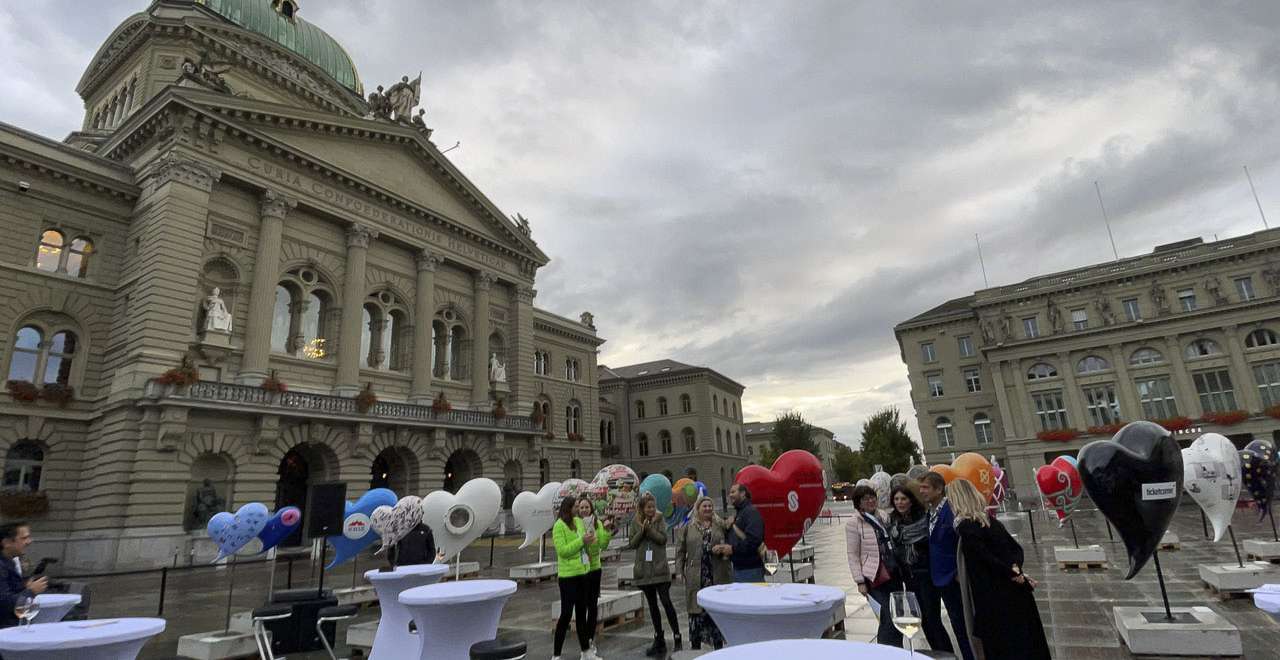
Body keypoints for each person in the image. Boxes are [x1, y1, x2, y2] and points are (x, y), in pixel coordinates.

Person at [948, 479, 1051, 660]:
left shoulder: (966, 527)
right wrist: (1016, 572)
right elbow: (1015, 550)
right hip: (1015, 592)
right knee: (1028, 644)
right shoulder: (990, 521)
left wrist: (1012, 573)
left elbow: (986, 560)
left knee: (1005, 647)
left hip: (994, 599)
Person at [918, 472, 975, 660]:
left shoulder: (951, 510)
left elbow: (963, 542)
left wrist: (959, 571)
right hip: (940, 578)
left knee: (964, 625)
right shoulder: (931, 512)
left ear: (939, 489)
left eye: (926, 487)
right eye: (921, 487)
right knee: (957, 623)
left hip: (953, 578)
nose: (922, 491)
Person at [887, 484, 950, 653]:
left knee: (932, 619)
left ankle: (946, 653)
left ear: (911, 500)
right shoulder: (893, 521)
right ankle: (937, 653)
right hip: (909, 578)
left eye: (904, 499)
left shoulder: (923, 518)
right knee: (922, 620)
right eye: (896, 499)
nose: (900, 502)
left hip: (925, 575)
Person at [674, 495, 732, 650]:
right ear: (698, 509)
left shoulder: (720, 525)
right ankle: (695, 647)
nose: (708, 509)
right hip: (696, 575)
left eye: (710, 506)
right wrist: (679, 571)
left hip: (717, 573)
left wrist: (723, 549)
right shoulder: (688, 527)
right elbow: (680, 551)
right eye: (704, 506)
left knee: (716, 611)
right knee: (696, 612)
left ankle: (718, 647)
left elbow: (730, 544)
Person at [846, 485, 900, 646]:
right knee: (885, 615)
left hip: (893, 572)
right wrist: (859, 581)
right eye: (865, 499)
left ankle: (898, 649)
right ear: (858, 503)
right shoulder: (854, 523)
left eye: (872, 497)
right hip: (873, 576)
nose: (870, 501)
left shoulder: (884, 516)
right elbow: (852, 554)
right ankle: (885, 651)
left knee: (896, 615)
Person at [629, 492, 681, 656]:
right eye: (648, 507)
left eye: (653, 507)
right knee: (652, 606)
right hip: (644, 571)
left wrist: (649, 530)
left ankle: (677, 636)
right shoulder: (635, 522)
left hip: (659, 569)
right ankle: (659, 639)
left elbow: (662, 539)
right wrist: (642, 531)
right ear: (642, 508)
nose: (651, 510)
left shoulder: (659, 520)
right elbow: (632, 543)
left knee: (666, 602)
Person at [552, 497, 596, 660]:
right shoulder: (559, 526)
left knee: (581, 614)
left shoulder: (578, 522)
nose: (578, 509)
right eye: (576, 506)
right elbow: (563, 551)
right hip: (568, 577)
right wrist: (581, 541)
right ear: (568, 508)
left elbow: (584, 542)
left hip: (583, 573)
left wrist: (590, 540)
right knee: (566, 615)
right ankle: (556, 654)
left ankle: (586, 652)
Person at [577, 497, 614, 658]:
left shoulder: (597, 523)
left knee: (592, 606)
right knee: (582, 606)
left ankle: (590, 640)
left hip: (594, 568)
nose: (584, 510)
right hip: (581, 570)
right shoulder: (576, 523)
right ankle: (584, 644)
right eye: (582, 507)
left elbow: (603, 545)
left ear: (591, 508)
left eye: (587, 507)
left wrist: (606, 531)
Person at [0, 522, 46, 629]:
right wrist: (31, 591)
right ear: (7, 543)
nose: (29, 541)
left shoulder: (9, 562)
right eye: (24, 538)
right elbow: (4, 603)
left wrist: (25, 587)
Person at [717, 483, 765, 581]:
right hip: (740, 568)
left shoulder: (750, 512)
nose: (730, 495)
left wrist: (732, 549)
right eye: (729, 493)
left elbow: (753, 540)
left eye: (733, 492)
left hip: (750, 570)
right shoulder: (740, 513)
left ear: (743, 493)